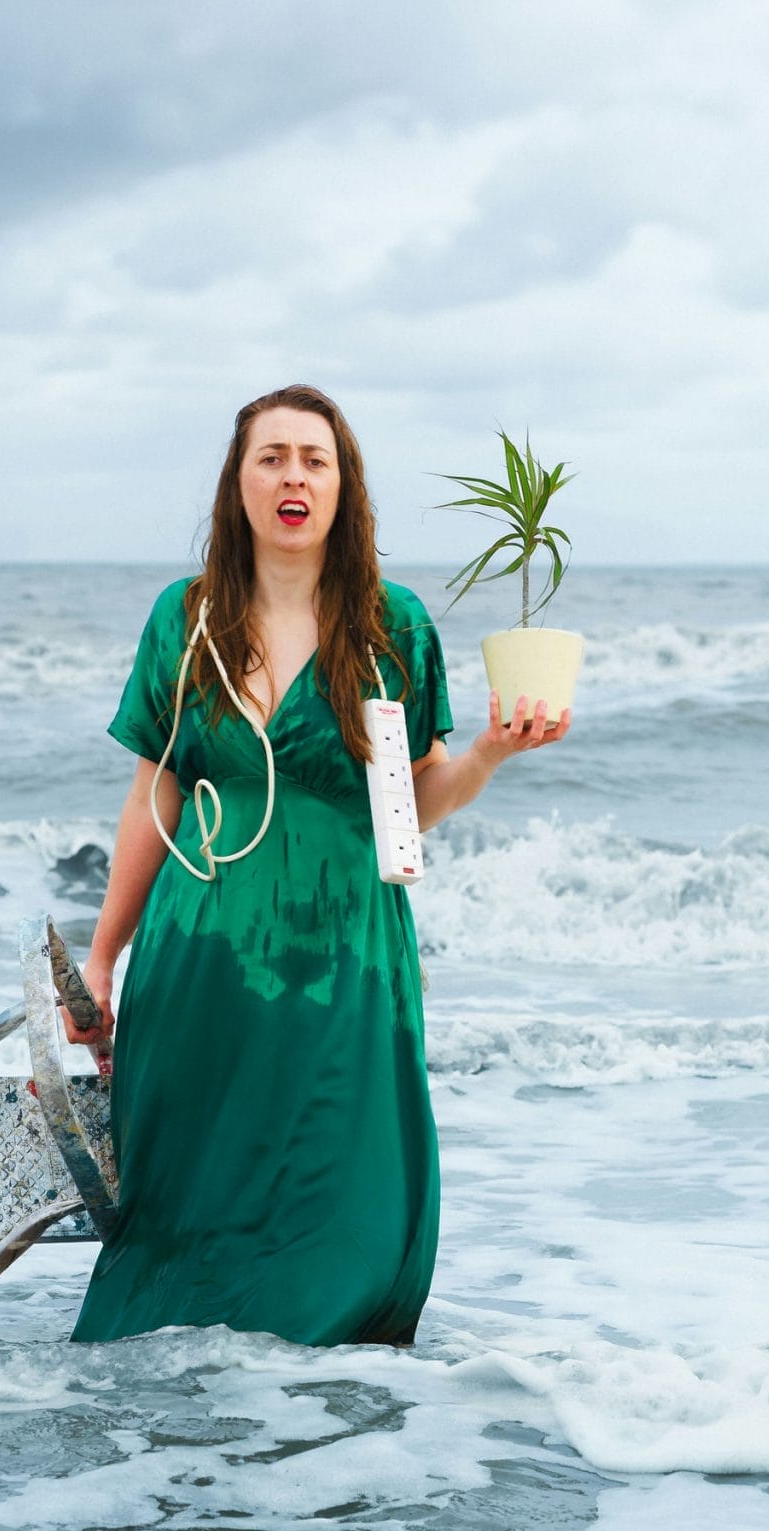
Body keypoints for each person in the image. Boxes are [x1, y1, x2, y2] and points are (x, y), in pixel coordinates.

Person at [65, 384, 571, 1347]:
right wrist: (100, 959)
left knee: (348, 1211)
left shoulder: (394, 627)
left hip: (347, 964)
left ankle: (318, 1432)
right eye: (272, 457)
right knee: (184, 1224)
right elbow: (152, 800)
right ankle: (182, 1444)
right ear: (239, 482)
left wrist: (492, 758)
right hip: (200, 963)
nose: (293, 475)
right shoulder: (186, 619)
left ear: (343, 488)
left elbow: (410, 807)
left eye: (314, 459)